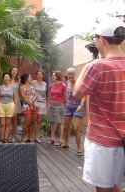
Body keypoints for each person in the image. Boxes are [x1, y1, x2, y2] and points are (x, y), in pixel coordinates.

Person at [73, 17, 125, 192]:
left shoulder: (97, 67)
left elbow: (77, 93)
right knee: (115, 184)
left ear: (102, 39)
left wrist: (88, 66)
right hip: (123, 141)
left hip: (102, 141)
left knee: (104, 188)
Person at [61, 68, 88, 156]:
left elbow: (84, 96)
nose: (70, 76)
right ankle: (66, 142)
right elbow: (66, 95)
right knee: (66, 127)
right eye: (69, 74)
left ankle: (79, 148)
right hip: (69, 107)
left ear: (75, 74)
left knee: (76, 128)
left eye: (72, 74)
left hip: (78, 106)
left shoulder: (79, 83)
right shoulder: (67, 83)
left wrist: (81, 105)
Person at [46, 70, 67, 147]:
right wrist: (48, 104)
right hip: (52, 104)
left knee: (60, 122)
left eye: (54, 75)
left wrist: (64, 105)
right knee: (52, 121)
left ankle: (60, 139)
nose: (52, 76)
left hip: (59, 105)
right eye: (52, 75)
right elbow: (50, 95)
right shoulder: (51, 85)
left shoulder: (63, 85)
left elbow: (65, 96)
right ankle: (52, 138)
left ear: (58, 76)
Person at [0, 72, 17, 143]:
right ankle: (1, 139)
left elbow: (15, 99)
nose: (7, 78)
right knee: (2, 124)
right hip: (1, 106)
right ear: (3, 78)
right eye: (5, 77)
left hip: (10, 106)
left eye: (8, 77)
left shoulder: (13, 87)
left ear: (10, 78)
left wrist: (15, 109)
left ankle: (5, 139)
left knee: (8, 124)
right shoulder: (0, 87)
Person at [20, 73, 38, 143]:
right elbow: (23, 97)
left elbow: (35, 95)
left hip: (35, 105)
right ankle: (23, 137)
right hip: (27, 106)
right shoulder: (22, 87)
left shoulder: (33, 87)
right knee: (27, 123)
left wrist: (32, 102)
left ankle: (29, 137)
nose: (31, 78)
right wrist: (30, 104)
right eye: (30, 77)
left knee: (32, 122)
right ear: (26, 78)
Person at [31, 69, 47, 143]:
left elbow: (45, 94)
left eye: (40, 74)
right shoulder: (33, 82)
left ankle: (36, 137)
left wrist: (46, 102)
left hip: (42, 103)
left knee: (39, 120)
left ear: (43, 75)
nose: (39, 76)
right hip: (35, 102)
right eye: (38, 74)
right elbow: (30, 92)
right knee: (32, 120)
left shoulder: (45, 84)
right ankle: (29, 136)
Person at [8, 67, 22, 142]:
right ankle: (8, 135)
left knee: (14, 120)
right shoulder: (7, 79)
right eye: (13, 70)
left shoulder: (18, 81)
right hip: (8, 100)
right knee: (8, 120)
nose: (14, 72)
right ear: (10, 71)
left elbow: (20, 92)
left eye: (15, 71)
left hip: (16, 101)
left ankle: (13, 136)